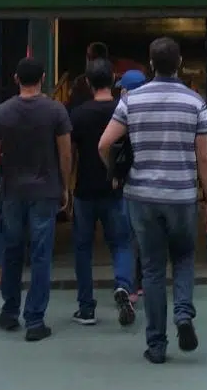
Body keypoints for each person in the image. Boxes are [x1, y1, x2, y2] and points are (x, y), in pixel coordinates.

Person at [99, 37, 207, 365]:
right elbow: (204, 157)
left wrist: (116, 173)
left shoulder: (131, 100)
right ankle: (183, 314)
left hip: (141, 197)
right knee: (184, 258)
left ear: (151, 64)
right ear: (179, 63)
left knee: (152, 269)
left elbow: (104, 144)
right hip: (181, 196)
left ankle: (156, 345)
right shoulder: (195, 102)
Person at [0, 56, 72, 341]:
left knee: (12, 251)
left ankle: (10, 312)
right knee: (41, 254)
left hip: (12, 192)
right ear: (43, 78)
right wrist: (65, 186)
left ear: (16, 79)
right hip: (45, 192)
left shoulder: (1, 113)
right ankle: (35, 320)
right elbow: (65, 153)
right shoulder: (56, 111)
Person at [68, 58, 137, 327]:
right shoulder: (124, 110)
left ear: (87, 82)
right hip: (116, 189)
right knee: (121, 243)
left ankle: (86, 308)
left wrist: (67, 186)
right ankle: (123, 286)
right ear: (114, 80)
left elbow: (71, 154)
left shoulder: (77, 114)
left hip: (85, 190)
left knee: (83, 248)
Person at [116, 68, 148, 303]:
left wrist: (115, 173)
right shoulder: (154, 111)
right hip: (154, 184)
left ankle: (132, 285)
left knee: (129, 237)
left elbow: (108, 146)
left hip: (131, 183)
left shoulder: (124, 112)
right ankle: (146, 282)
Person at [67, 42, 109, 109]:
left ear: (89, 59)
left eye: (88, 56)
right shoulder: (116, 81)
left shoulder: (80, 82)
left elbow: (72, 108)